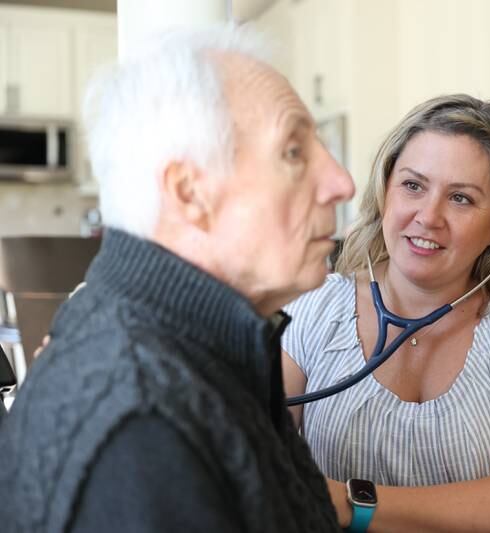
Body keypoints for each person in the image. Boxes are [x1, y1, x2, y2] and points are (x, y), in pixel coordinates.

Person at [0, 25, 354, 532]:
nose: (342, 182)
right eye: (294, 152)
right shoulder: (143, 426)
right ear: (189, 193)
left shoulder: (203, 350)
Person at [282, 94, 490, 532]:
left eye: (461, 199)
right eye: (413, 185)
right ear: (385, 191)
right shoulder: (312, 306)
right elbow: (250, 440)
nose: (429, 216)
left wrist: (353, 503)